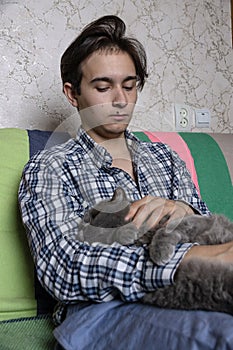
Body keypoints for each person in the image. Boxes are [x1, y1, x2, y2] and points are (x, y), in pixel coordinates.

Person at [18, 15, 233, 348]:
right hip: (101, 311)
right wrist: (184, 261)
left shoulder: (166, 158)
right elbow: (62, 267)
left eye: (129, 85)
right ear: (72, 93)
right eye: (103, 87)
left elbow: (208, 230)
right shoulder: (49, 166)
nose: (120, 99)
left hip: (191, 290)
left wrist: (184, 209)